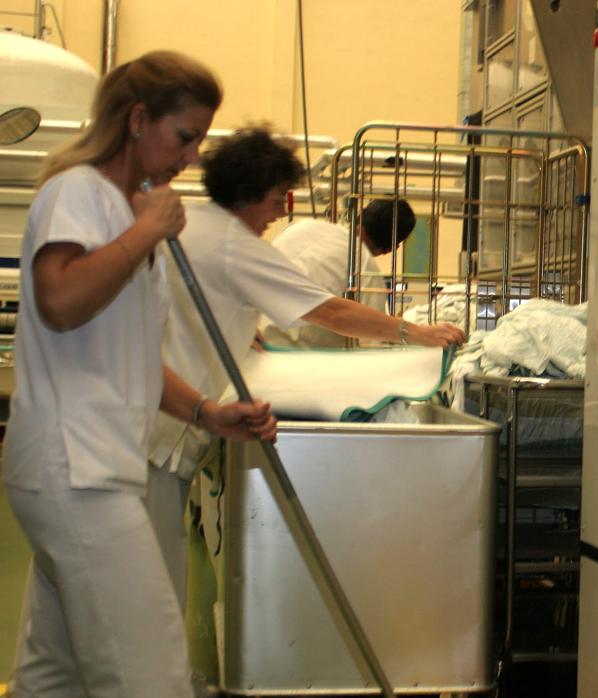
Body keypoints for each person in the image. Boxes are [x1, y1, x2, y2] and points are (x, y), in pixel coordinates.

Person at [1, 51, 277, 698]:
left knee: (56, 676)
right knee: (150, 675)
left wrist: (208, 414)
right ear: (136, 119)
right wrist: (145, 233)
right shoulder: (80, 192)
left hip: (93, 467)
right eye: (185, 138)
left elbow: (130, 360)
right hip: (76, 468)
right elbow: (60, 301)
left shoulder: (125, 208)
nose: (192, 156)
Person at [146, 126, 465, 614]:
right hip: (166, 431)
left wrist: (241, 326)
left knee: (136, 573)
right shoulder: (236, 243)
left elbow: (198, 300)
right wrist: (415, 333)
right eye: (277, 196)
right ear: (250, 192)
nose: (283, 208)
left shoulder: (199, 226)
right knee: (151, 579)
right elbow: (331, 313)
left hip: (166, 409)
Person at [262, 197, 416, 348]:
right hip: (294, 358)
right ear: (391, 248)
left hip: (253, 339)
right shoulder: (366, 269)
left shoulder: (300, 228)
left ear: (358, 216)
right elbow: (370, 343)